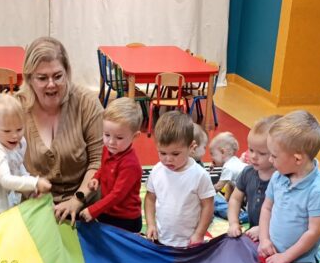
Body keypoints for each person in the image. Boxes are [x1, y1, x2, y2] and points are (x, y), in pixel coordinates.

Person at [16, 37, 104, 225]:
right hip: (36, 208)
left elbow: (98, 161)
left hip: (84, 208)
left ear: (67, 73)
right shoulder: (16, 108)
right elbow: (6, 163)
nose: (51, 84)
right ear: (29, 78)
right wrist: (28, 190)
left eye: (58, 76)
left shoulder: (87, 103)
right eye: (42, 78)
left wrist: (77, 199)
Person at [257, 111, 320, 263]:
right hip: (272, 252)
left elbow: (313, 232)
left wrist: (286, 257)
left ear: (297, 159)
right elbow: (267, 208)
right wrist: (264, 238)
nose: (270, 160)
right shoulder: (278, 177)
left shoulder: (318, 190)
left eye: (274, 156)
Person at [144, 112, 215, 248]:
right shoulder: (157, 170)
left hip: (189, 242)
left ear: (191, 147)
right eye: (162, 153)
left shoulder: (199, 175)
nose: (168, 159)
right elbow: (150, 199)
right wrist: (151, 224)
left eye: (175, 154)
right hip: (161, 238)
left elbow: (208, 205)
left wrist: (199, 234)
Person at [0, 92, 52, 214]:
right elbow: (5, 180)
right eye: (7, 131)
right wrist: (34, 182)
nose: (14, 136)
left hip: (7, 199)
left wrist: (30, 189)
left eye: (19, 129)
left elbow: (18, 165)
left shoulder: (20, 142)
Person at [79, 97, 144, 232]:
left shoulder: (130, 165)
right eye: (107, 135)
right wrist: (96, 178)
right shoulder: (108, 149)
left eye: (119, 137)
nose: (111, 142)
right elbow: (103, 167)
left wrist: (93, 210)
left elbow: (117, 195)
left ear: (135, 136)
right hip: (108, 209)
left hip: (125, 218)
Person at [226, 115, 280, 240]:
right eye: (251, 150)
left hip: (275, 237)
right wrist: (233, 223)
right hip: (253, 233)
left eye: (262, 153)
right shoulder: (248, 172)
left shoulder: (283, 180)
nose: (254, 156)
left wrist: (264, 229)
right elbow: (235, 199)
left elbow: (288, 217)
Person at [209, 132, 245, 219]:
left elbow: (218, 187)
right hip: (248, 190)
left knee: (214, 197)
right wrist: (227, 200)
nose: (211, 158)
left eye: (212, 154)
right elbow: (231, 184)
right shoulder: (235, 161)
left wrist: (205, 194)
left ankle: (240, 215)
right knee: (230, 184)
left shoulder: (228, 167)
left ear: (222, 152)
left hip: (248, 194)